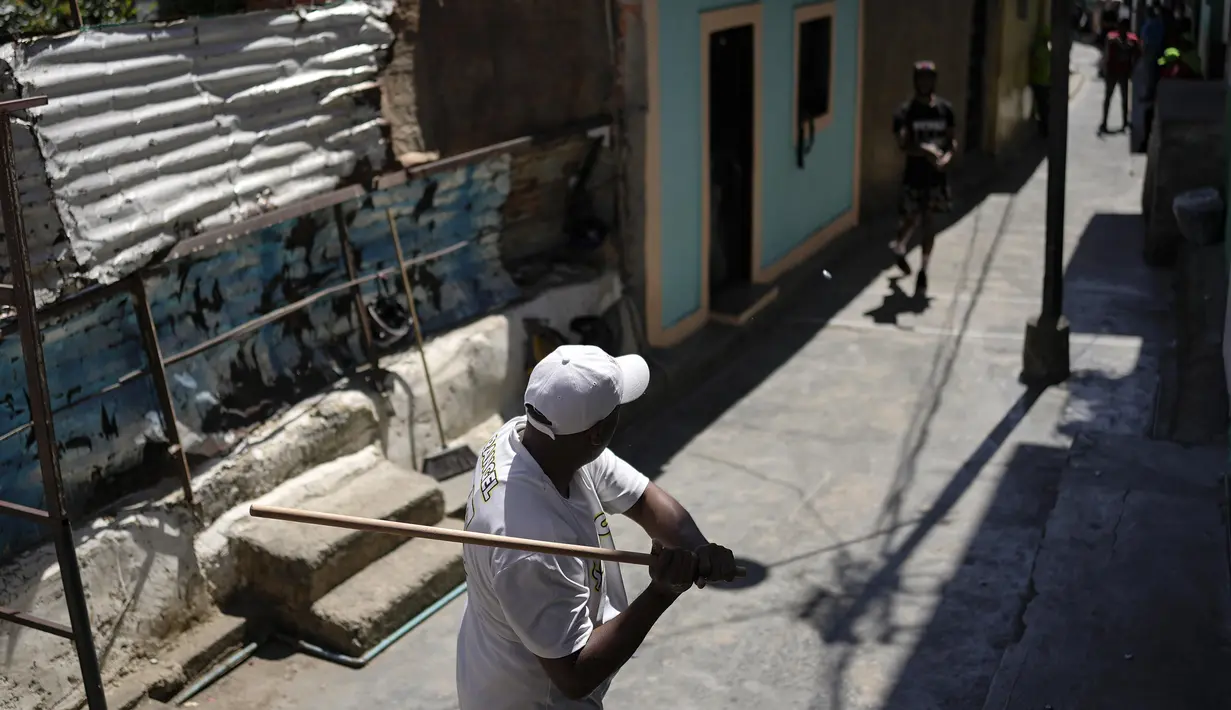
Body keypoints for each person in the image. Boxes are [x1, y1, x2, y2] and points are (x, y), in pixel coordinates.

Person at [455, 344, 740, 709]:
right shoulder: (531, 546)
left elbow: (641, 497)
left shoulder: (532, 436)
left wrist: (699, 549)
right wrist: (661, 592)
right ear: (595, 434)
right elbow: (575, 675)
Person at [889, 60, 956, 296]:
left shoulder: (945, 110)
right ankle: (899, 244)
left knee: (929, 222)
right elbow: (903, 144)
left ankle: (923, 271)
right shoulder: (905, 113)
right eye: (921, 79)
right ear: (915, 81)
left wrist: (946, 157)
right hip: (914, 175)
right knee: (912, 217)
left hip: (936, 178)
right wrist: (925, 151)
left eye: (929, 79)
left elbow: (951, 141)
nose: (925, 83)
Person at [1099, 18, 1140, 134]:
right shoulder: (1112, 38)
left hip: (1123, 72)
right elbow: (1106, 54)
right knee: (1108, 97)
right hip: (1113, 71)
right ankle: (1104, 122)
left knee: (1124, 98)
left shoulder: (1131, 40)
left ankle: (1124, 122)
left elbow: (1137, 53)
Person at [1029, 24, 1052, 137]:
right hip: (1042, 82)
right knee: (1044, 107)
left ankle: (1042, 128)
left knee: (1042, 106)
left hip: (1038, 81)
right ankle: (1044, 129)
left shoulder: (1037, 48)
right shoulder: (1044, 50)